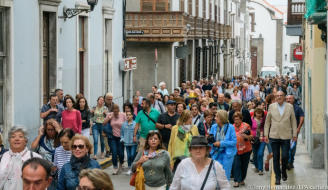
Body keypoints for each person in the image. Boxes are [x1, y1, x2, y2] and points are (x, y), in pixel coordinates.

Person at [264, 91, 297, 185]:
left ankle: (284, 171)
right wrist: (266, 135)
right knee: (276, 157)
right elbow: (267, 122)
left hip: (286, 135)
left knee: (285, 156)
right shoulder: (271, 106)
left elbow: (293, 121)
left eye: (281, 95)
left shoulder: (290, 107)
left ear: (284, 97)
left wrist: (294, 134)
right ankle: (278, 177)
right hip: (274, 135)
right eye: (277, 96)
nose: (279, 97)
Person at [209, 110, 237, 180]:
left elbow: (234, 142)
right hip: (215, 153)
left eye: (217, 116)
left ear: (222, 118)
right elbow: (210, 141)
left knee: (224, 176)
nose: (215, 118)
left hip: (227, 155)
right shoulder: (213, 127)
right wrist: (211, 142)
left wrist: (221, 144)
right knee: (214, 176)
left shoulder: (231, 127)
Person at [232, 112, 253, 187]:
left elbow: (251, 136)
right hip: (236, 150)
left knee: (244, 166)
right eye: (235, 119)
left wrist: (247, 137)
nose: (236, 121)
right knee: (236, 165)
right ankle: (236, 180)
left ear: (241, 120)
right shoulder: (232, 127)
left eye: (237, 119)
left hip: (246, 149)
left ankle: (242, 179)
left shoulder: (246, 126)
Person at [104, 104, 126, 174]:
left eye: (117, 111)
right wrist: (108, 118)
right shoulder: (110, 115)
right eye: (114, 111)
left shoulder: (123, 115)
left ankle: (121, 163)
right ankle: (115, 167)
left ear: (119, 110)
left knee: (121, 153)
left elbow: (127, 124)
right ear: (112, 110)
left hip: (121, 137)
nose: (116, 112)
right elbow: (103, 123)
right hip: (112, 137)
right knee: (114, 152)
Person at [286, 95, 304, 170]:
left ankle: (291, 161)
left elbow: (302, 118)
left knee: (292, 148)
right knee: (286, 147)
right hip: (285, 131)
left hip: (294, 131)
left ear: (293, 99)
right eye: (287, 99)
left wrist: (298, 128)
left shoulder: (298, 108)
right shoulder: (283, 108)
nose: (288, 100)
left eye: (290, 98)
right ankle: (288, 162)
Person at [121, 111, 137, 175]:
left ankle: (134, 168)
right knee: (128, 156)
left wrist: (136, 138)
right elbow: (122, 133)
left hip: (133, 143)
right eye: (127, 115)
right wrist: (122, 139)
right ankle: (130, 168)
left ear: (132, 116)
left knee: (133, 155)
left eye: (129, 115)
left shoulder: (135, 123)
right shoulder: (124, 124)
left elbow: (138, 133)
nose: (128, 116)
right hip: (126, 143)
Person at [251, 108, 266, 175]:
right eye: (257, 113)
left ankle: (260, 169)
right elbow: (249, 129)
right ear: (255, 113)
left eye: (260, 113)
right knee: (255, 154)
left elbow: (264, 128)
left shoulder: (264, 120)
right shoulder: (251, 119)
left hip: (262, 139)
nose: (259, 114)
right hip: (254, 139)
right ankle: (257, 166)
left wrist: (262, 136)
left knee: (260, 154)